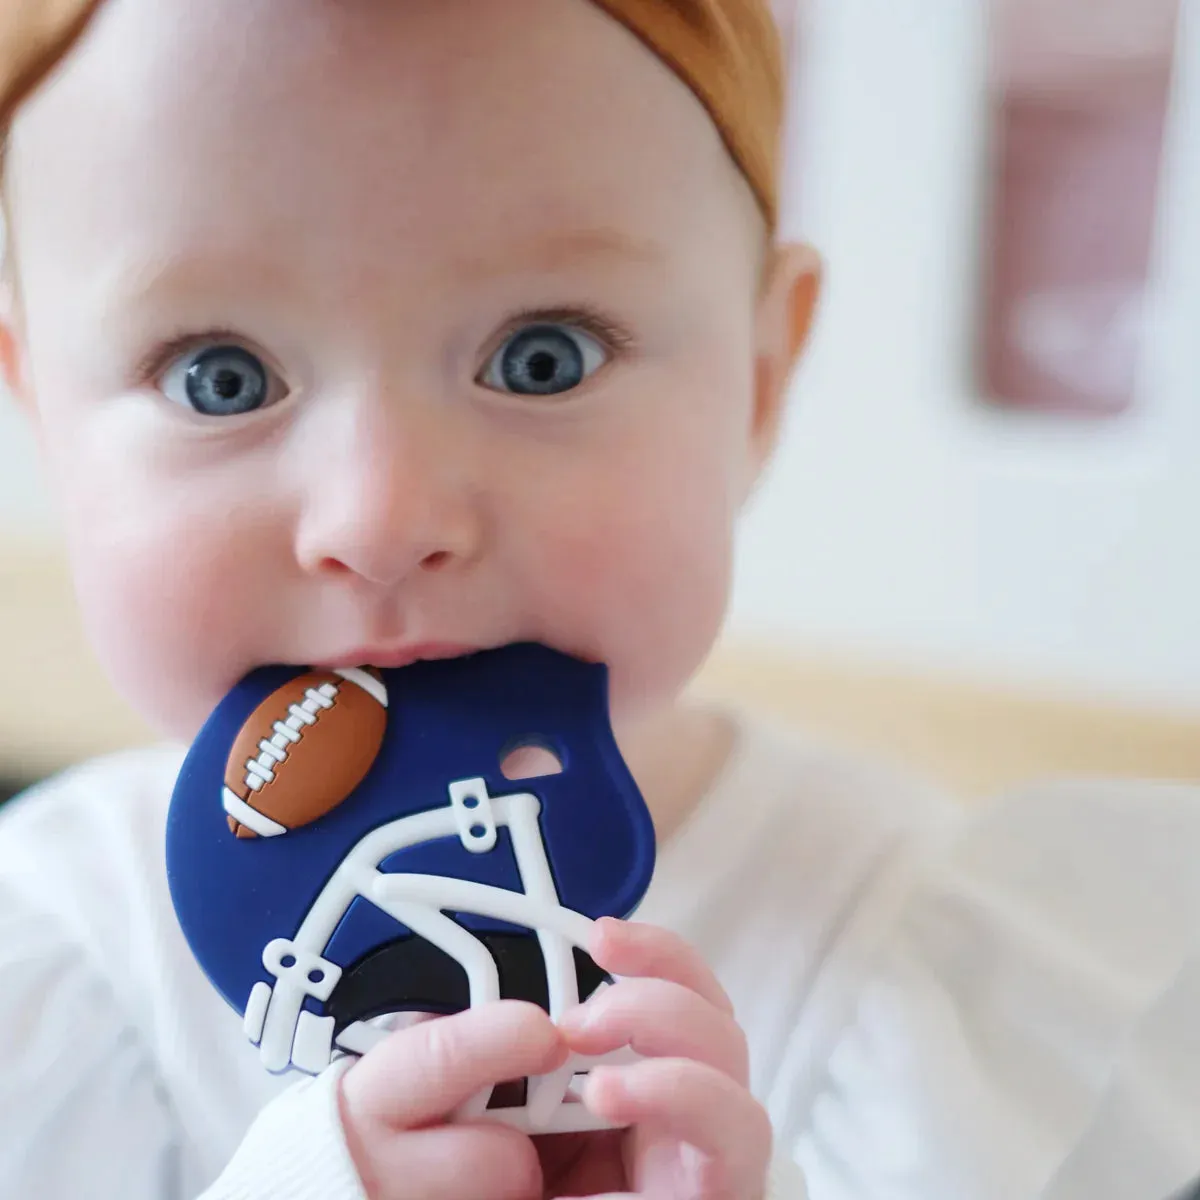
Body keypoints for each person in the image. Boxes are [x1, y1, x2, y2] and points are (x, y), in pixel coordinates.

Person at [0, 1, 1198, 1197]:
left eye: (543, 356)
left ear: (760, 383)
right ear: (43, 416)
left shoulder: (938, 990)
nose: (383, 520)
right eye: (222, 378)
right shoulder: (58, 961)